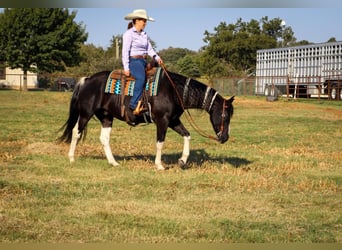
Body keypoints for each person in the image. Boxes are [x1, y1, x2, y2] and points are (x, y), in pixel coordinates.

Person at [122, 9, 163, 123]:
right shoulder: (129, 34)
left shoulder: (144, 35)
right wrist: (126, 67)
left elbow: (150, 49)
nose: (144, 22)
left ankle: (153, 105)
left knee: (159, 77)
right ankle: (133, 104)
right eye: (142, 20)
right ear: (136, 20)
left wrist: (157, 58)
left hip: (144, 61)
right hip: (134, 61)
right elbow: (125, 51)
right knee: (141, 78)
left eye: (145, 20)